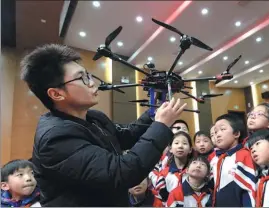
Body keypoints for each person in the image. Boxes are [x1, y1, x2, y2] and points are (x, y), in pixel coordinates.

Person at [20, 44, 187, 206]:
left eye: (88, 75)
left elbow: (127, 136)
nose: (92, 82)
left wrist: (156, 106)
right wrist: (161, 125)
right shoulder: (55, 139)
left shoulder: (93, 117)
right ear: (56, 94)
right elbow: (121, 173)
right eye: (82, 78)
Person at [209, 114, 257, 207]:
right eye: (215, 132)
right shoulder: (216, 159)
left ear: (236, 134)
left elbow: (248, 188)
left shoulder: (243, 155)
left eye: (222, 129)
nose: (217, 135)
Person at [154, 132, 193, 205]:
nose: (180, 146)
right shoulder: (164, 174)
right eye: (176, 143)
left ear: (190, 149)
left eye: (184, 143)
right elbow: (161, 198)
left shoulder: (195, 171)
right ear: (170, 149)